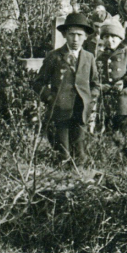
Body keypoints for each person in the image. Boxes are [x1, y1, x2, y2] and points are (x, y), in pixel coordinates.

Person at [36, 10, 99, 164]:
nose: (75, 39)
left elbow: (95, 84)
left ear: (85, 36)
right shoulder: (54, 56)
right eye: (71, 34)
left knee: (80, 151)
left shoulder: (89, 57)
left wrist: (90, 99)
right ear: (64, 35)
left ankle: (80, 170)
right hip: (60, 109)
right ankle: (62, 168)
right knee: (62, 153)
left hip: (81, 109)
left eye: (79, 35)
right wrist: (50, 97)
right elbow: (38, 82)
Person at [96, 15, 127, 149]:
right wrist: (101, 85)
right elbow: (96, 76)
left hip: (126, 97)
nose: (109, 40)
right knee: (110, 130)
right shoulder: (100, 56)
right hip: (109, 99)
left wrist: (124, 82)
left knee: (126, 131)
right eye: (106, 37)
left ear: (120, 38)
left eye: (113, 36)